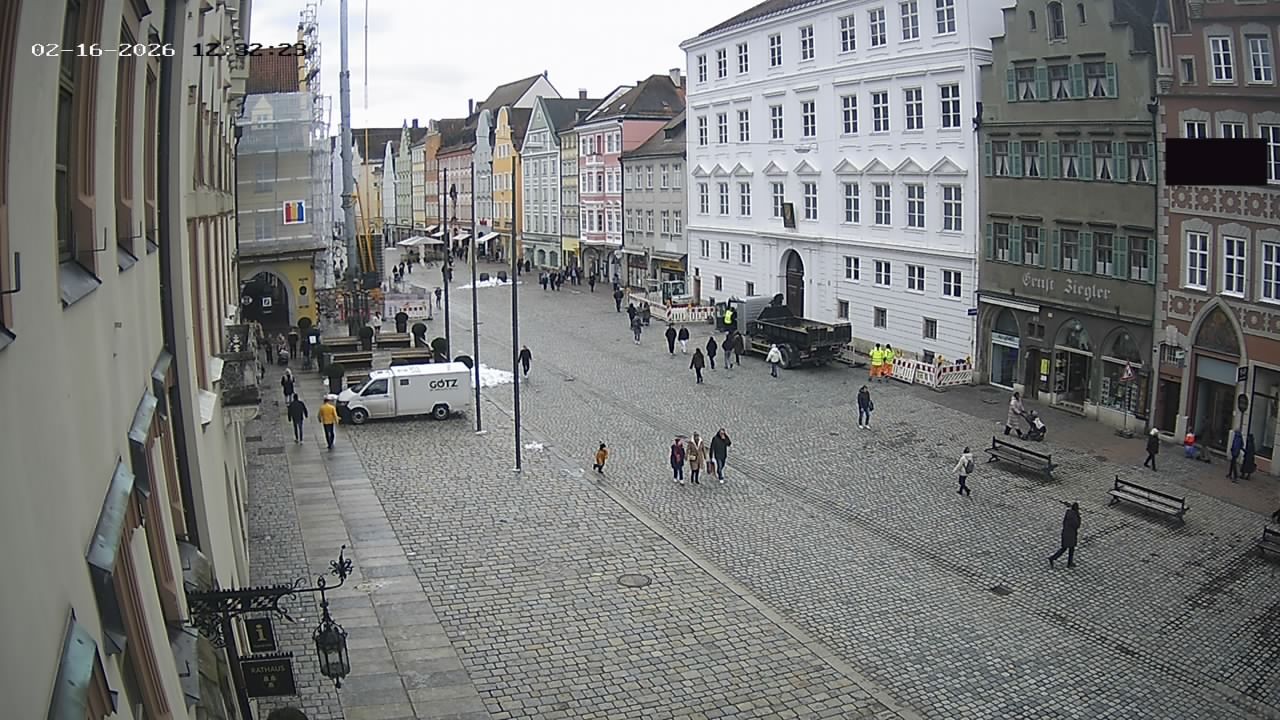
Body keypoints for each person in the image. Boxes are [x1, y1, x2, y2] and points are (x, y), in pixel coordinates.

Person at [1049, 503, 1082, 569]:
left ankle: (1069, 562)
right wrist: (1078, 517)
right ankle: (1053, 558)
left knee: (1068, 549)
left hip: (1065, 533)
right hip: (1071, 535)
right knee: (1066, 549)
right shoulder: (1074, 517)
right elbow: (1077, 525)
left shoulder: (1068, 513)